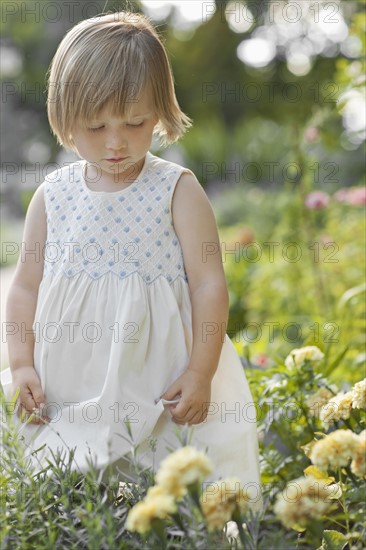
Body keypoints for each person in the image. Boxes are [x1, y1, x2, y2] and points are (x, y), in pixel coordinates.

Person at [1, 10, 262, 510]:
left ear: (160, 111)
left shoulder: (176, 190)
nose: (116, 142)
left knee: (167, 481)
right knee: (70, 490)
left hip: (158, 376)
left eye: (136, 122)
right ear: (65, 118)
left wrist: (201, 373)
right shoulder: (52, 196)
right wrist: (21, 363)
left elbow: (208, 284)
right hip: (69, 377)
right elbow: (25, 287)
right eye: (95, 126)